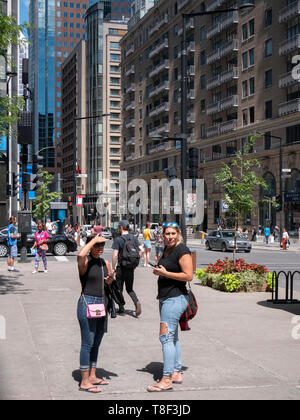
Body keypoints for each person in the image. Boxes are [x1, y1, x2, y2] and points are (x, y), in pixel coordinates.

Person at [147, 222, 193, 392]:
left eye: (173, 233)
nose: (170, 236)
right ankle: (176, 371)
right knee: (172, 338)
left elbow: (189, 275)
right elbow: (168, 269)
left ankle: (166, 379)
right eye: (167, 234)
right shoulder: (167, 249)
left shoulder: (182, 250)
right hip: (166, 298)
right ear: (163, 235)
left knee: (165, 337)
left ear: (178, 234)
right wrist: (160, 271)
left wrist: (165, 273)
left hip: (175, 299)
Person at [77, 234, 113, 393]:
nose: (100, 249)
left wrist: (110, 280)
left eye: (102, 246)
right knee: (87, 342)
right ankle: (84, 381)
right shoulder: (85, 262)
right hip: (87, 302)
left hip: (101, 304)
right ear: (90, 246)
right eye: (97, 246)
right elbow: (79, 255)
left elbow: (109, 282)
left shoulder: (104, 262)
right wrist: (92, 240)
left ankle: (92, 375)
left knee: (96, 341)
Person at [111, 220, 143, 317]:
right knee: (130, 289)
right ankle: (136, 302)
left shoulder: (118, 239)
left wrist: (113, 268)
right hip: (130, 267)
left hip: (121, 267)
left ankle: (121, 308)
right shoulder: (134, 238)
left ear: (121, 227)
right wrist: (135, 263)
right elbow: (141, 250)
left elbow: (115, 255)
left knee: (119, 289)